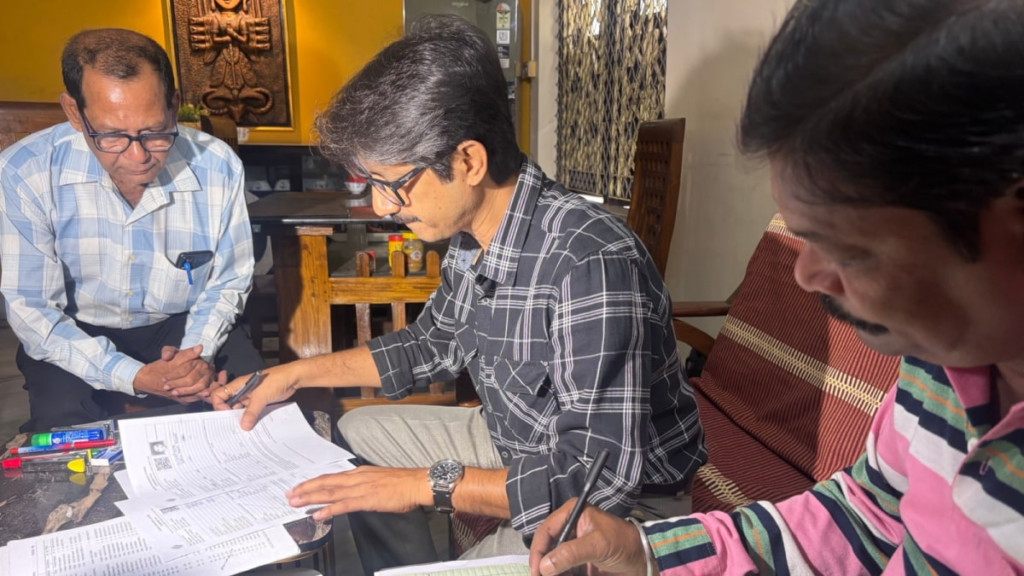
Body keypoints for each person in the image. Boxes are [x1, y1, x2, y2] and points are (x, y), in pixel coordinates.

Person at [527, 0, 1024, 574]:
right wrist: (647, 552)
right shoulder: (940, 368)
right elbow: (866, 516)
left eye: (849, 249)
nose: (805, 274)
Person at [212, 14, 706, 574]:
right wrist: (294, 374)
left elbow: (598, 480)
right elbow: (431, 344)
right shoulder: (473, 237)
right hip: (519, 438)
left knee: (396, 481)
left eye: (392, 184)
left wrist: (423, 484)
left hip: (615, 508)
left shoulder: (589, 262)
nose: (381, 207)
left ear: (468, 161)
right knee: (358, 433)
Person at [0, 28, 263, 432]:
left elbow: (227, 283)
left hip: (182, 325)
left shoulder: (217, 165)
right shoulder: (26, 171)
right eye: (111, 135)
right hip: (74, 328)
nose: (138, 156)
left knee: (254, 408)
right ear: (74, 112)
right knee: (64, 429)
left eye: (155, 132)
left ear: (173, 105)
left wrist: (195, 356)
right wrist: (134, 376)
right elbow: (33, 308)